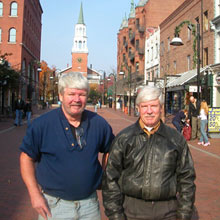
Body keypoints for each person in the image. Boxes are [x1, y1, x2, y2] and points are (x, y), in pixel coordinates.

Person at [20, 72, 114, 220]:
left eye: (82, 95)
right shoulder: (42, 125)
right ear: (61, 96)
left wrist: (105, 176)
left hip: (89, 206)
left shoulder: (98, 123)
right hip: (54, 206)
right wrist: (34, 194)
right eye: (71, 94)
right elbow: (26, 158)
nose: (76, 100)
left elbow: (111, 150)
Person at [102, 85, 196, 220]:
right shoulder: (124, 138)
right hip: (132, 210)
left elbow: (187, 179)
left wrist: (184, 214)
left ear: (161, 108)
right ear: (138, 109)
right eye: (145, 106)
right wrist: (116, 215)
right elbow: (110, 179)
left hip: (167, 211)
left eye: (154, 106)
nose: (149, 111)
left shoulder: (175, 139)